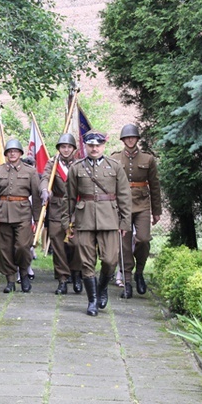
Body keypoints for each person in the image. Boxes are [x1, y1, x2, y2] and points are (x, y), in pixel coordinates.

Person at [62, 131, 132, 316]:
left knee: (110, 260)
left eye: (98, 145)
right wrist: (67, 222)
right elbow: (69, 197)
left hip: (109, 218)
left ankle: (102, 288)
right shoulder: (77, 168)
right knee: (87, 262)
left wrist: (125, 223)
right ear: (85, 146)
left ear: (103, 146)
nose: (94, 148)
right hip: (84, 219)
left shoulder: (115, 167)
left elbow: (124, 196)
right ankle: (92, 300)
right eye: (91, 145)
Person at [110, 124, 162, 298]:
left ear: (137, 139)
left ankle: (139, 271)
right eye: (127, 138)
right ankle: (127, 281)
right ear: (123, 140)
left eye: (133, 137)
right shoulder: (115, 159)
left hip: (142, 205)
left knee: (143, 239)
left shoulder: (148, 159)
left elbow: (154, 186)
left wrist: (157, 210)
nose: (130, 140)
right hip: (122, 205)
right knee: (123, 245)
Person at [0, 139, 41, 294]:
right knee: (5, 249)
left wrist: (37, 219)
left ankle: (23, 273)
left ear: (21, 153)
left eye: (15, 151)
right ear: (6, 154)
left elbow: (36, 196)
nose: (12, 154)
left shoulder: (30, 171)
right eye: (10, 151)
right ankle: (10, 279)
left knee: (23, 246)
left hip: (23, 213)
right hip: (2, 214)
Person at [40, 133, 83, 295]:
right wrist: (44, 190)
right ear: (59, 148)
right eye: (63, 147)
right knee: (58, 246)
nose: (66, 150)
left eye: (69, 147)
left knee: (77, 244)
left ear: (73, 149)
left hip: (77, 209)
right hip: (57, 208)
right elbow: (45, 178)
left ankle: (76, 273)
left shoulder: (80, 164)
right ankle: (62, 279)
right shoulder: (52, 164)